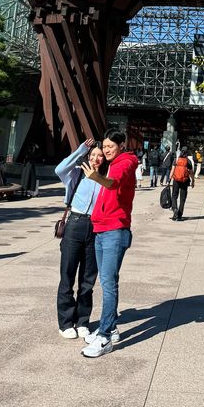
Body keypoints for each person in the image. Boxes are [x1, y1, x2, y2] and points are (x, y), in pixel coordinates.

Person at [79, 129, 138, 358]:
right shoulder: (112, 163)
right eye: (104, 147)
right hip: (101, 228)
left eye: (110, 146)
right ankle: (111, 328)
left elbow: (113, 184)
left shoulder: (125, 162)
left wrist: (97, 178)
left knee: (108, 282)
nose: (106, 150)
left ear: (121, 145)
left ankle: (104, 336)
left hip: (115, 230)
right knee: (105, 281)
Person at [54, 138, 107, 339]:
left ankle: (83, 320)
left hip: (95, 227)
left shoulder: (104, 178)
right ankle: (66, 323)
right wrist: (80, 150)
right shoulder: (75, 174)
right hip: (74, 224)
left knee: (88, 279)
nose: (96, 159)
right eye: (93, 155)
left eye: (99, 156)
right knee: (67, 276)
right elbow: (59, 169)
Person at [169, 149, 194, 221]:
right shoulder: (188, 161)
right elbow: (191, 172)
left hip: (176, 180)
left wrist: (169, 180)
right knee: (182, 198)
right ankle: (179, 215)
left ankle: (175, 210)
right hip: (185, 181)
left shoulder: (176, 159)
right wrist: (193, 181)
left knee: (174, 196)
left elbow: (172, 170)